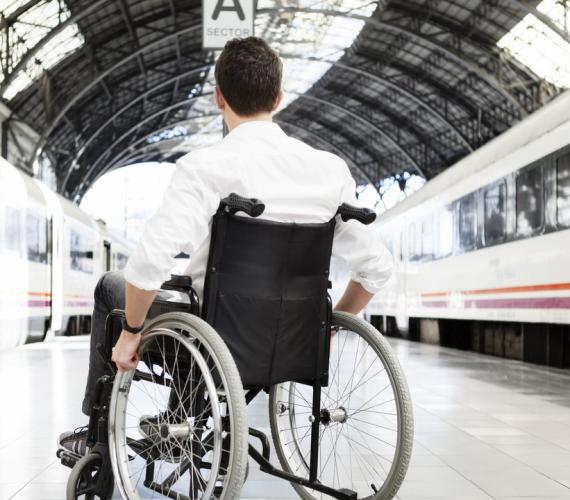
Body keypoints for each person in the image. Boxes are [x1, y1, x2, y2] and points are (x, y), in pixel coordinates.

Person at [58, 36, 393, 455]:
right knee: (193, 309)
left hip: (212, 332)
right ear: (279, 97)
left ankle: (95, 437)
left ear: (219, 98)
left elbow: (149, 262)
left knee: (116, 286)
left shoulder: (206, 167)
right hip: (292, 339)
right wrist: (324, 328)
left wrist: (130, 333)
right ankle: (177, 418)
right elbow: (377, 267)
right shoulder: (329, 171)